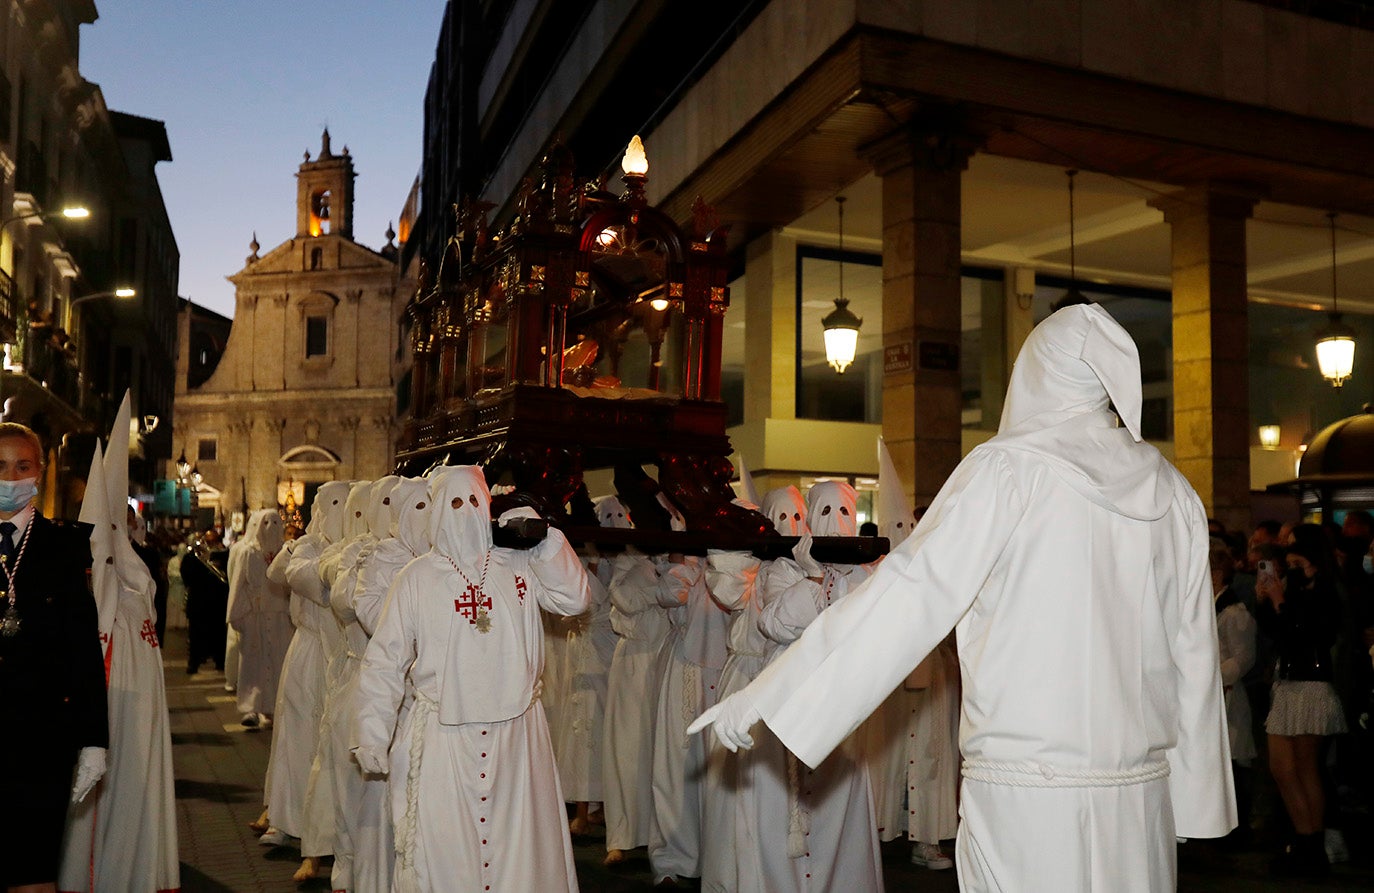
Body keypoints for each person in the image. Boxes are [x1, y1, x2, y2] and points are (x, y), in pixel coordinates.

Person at [691, 303, 1236, 892]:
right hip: (1139, 796)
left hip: (1026, 794)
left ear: (1037, 373)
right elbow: (1194, 651)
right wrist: (1195, 793)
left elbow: (909, 594)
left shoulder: (1007, 471)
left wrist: (771, 693)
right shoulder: (1174, 492)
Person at [353, 466, 591, 891]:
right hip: (445, 739)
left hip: (518, 738)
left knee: (521, 856)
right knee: (446, 853)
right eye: (454, 503)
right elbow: (384, 660)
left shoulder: (519, 564)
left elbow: (573, 600)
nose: (465, 513)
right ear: (438, 511)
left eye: (474, 502)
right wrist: (372, 733)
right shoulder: (417, 578)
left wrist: (545, 539)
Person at [0, 422, 108, 890]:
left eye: (22, 466)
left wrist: (93, 740)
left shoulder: (65, 545)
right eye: (0, 467)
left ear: (40, 472)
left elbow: (83, 647)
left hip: (41, 739)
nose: (11, 477)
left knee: (34, 868)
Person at [1255, 524, 1346, 876]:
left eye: (1295, 557)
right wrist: (1268, 601)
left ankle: (1311, 847)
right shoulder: (1294, 587)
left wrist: (1280, 602)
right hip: (1288, 683)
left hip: (1312, 685)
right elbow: (1278, 634)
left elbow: (1308, 635)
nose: (1289, 563)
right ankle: (1303, 839)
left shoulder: (1327, 591)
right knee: (1283, 769)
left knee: (1305, 768)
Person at [1210, 537, 1257, 848]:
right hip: (1211, 696)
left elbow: (1242, 658)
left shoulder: (1234, 611)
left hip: (1225, 694)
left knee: (1233, 762)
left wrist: (1212, 677)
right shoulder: (1210, 607)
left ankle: (1237, 828)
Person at [227, 509, 289, 727]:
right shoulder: (249, 553)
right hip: (255, 616)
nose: (270, 527)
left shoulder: (286, 552)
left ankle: (273, 707)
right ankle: (251, 707)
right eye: (266, 522)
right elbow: (238, 584)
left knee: (277, 660)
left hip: (280, 615)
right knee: (253, 663)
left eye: (275, 522)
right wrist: (237, 614)